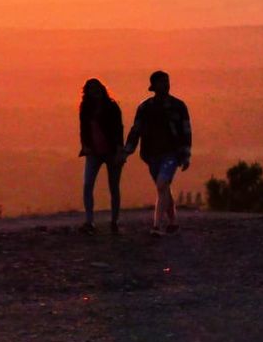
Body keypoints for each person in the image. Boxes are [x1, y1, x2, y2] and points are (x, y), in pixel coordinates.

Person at [122, 70, 192, 237]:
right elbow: (136, 130)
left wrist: (186, 154)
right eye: (162, 82)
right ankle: (173, 222)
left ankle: (157, 225)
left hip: (172, 153)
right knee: (164, 188)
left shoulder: (178, 106)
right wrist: (127, 150)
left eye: (167, 81)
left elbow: (186, 131)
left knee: (161, 185)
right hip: (151, 154)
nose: (166, 85)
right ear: (154, 86)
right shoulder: (145, 108)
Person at [78, 78, 125, 234]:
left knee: (113, 187)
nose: (94, 92)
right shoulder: (85, 108)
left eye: (96, 89)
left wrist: (119, 150)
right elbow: (83, 129)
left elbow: (119, 130)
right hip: (94, 152)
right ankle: (89, 221)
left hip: (111, 152)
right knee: (87, 185)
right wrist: (85, 145)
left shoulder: (111, 107)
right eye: (91, 89)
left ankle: (114, 221)